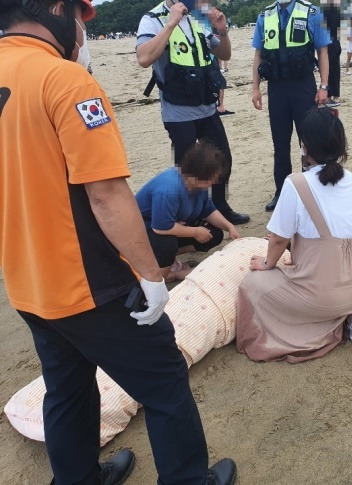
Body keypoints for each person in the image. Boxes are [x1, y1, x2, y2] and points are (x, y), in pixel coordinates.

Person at [0, 1, 237, 484]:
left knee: (67, 387)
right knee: (164, 381)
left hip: (28, 278)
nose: (83, 31)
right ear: (54, 8)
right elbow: (107, 193)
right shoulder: (64, 80)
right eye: (80, 17)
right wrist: (151, 275)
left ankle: (79, 478)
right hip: (90, 280)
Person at [236, 107, 352, 363]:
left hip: (323, 293)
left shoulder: (296, 183)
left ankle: (328, 322)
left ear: (304, 146)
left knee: (252, 283)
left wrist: (267, 264)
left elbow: (278, 239)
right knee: (324, 281)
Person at [136, 0, 250, 225]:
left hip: (206, 107)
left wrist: (222, 30)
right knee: (186, 171)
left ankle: (220, 207)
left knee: (222, 159)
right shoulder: (152, 19)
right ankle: (189, 219)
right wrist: (171, 23)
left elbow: (224, 55)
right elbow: (144, 58)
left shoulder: (198, 18)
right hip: (178, 111)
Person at [251, 0, 331, 212]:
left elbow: (323, 51)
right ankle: (282, 192)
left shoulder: (312, 13)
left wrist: (324, 86)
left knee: (308, 141)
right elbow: (258, 55)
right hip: (276, 89)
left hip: (303, 86)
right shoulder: (264, 16)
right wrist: (255, 88)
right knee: (280, 143)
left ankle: (312, 189)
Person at [136, 141, 241, 282]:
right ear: (199, 175)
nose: (215, 182)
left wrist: (229, 227)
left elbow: (208, 210)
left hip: (173, 224)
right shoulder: (169, 189)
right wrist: (196, 232)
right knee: (167, 244)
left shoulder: (198, 185)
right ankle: (161, 279)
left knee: (214, 233)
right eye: (213, 178)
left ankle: (169, 258)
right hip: (145, 230)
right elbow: (161, 228)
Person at [322, 0, 342, 106]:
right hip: (331, 42)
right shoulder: (327, 10)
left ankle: (334, 95)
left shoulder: (332, 11)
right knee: (331, 69)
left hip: (332, 42)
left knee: (332, 69)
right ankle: (331, 95)